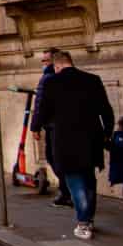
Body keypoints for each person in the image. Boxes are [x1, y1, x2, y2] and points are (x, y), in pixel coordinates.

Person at [27, 48, 113, 240]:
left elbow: (42, 108)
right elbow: (106, 110)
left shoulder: (51, 82)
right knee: (89, 179)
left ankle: (83, 223)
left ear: (57, 65)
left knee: (74, 181)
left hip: (65, 139)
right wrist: (107, 133)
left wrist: (35, 127)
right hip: (92, 138)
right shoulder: (92, 80)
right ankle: (88, 219)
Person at [37, 59, 69, 207]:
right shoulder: (48, 77)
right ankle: (66, 190)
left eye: (47, 60)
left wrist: (35, 126)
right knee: (53, 158)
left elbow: (41, 104)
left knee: (56, 158)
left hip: (55, 126)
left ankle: (67, 191)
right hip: (51, 125)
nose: (44, 63)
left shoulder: (50, 79)